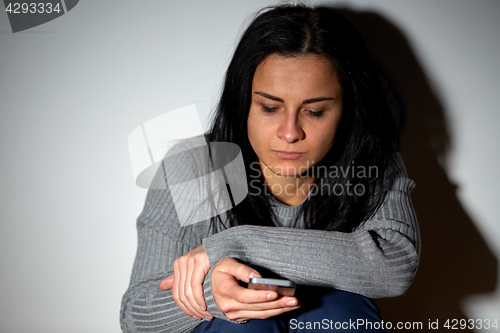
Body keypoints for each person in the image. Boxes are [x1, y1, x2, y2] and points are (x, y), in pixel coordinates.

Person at [120, 4, 420, 333]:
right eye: (270, 107)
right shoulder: (196, 167)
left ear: (347, 111)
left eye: (315, 111)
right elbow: (137, 316)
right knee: (242, 323)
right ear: (243, 103)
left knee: (341, 312)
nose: (290, 132)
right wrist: (215, 293)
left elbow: (394, 264)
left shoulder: (370, 162)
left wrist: (238, 246)